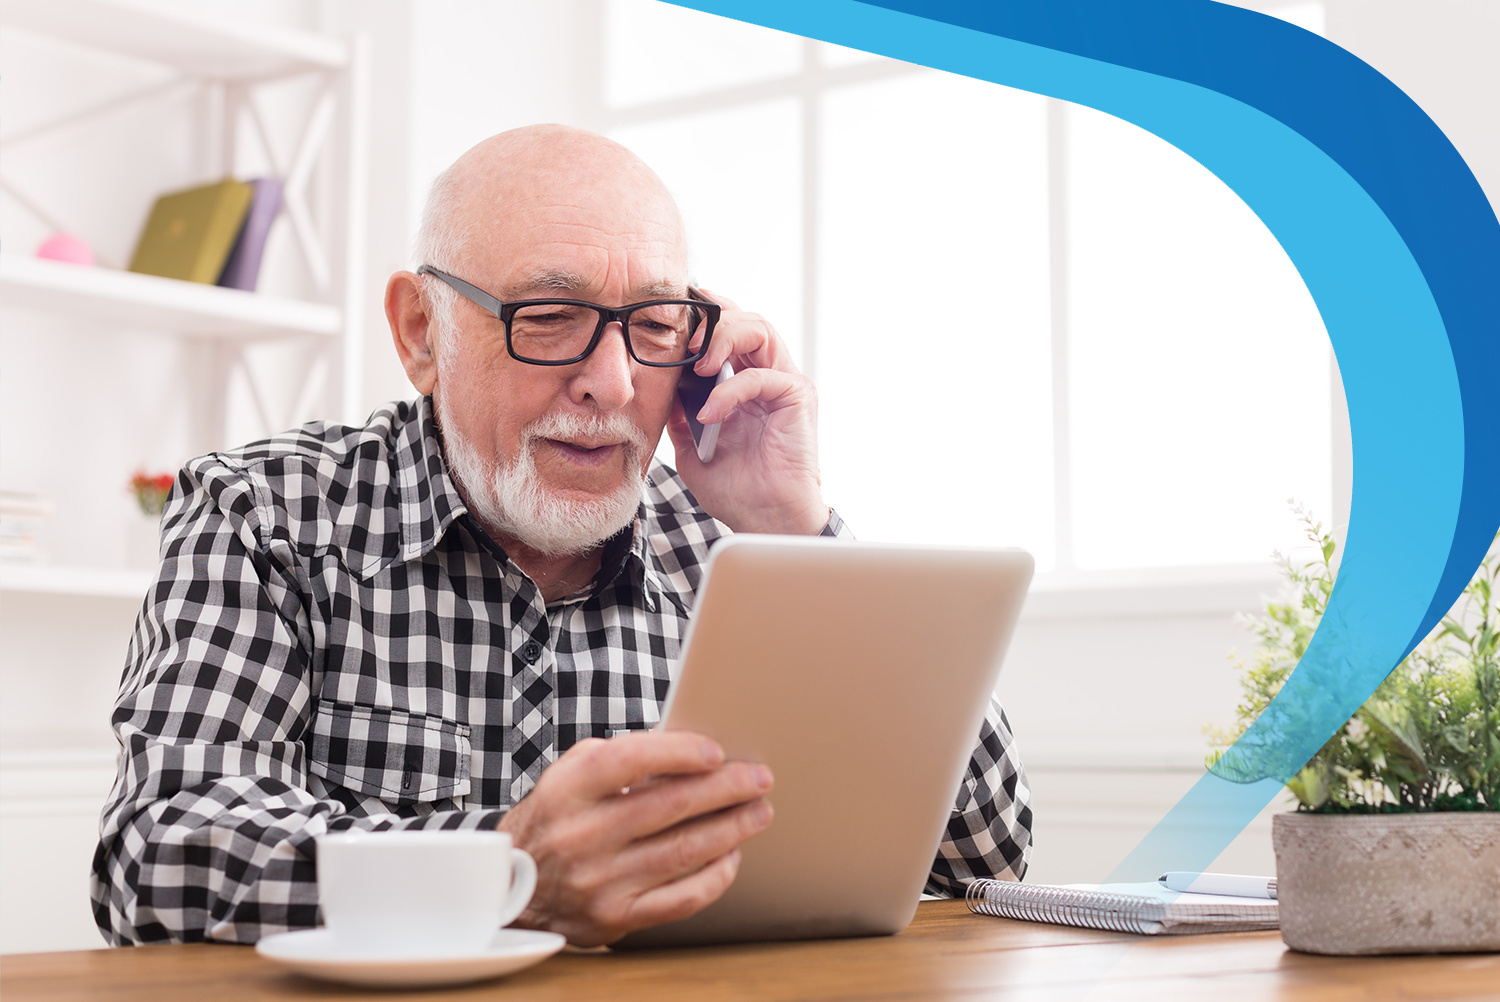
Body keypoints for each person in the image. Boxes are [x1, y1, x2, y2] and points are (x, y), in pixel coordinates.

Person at [91, 125, 1032, 948]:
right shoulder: (266, 511)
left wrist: (795, 529)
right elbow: (159, 849)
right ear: (422, 332)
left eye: (655, 324)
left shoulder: (735, 549)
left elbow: (986, 857)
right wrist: (507, 871)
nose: (614, 383)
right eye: (550, 319)